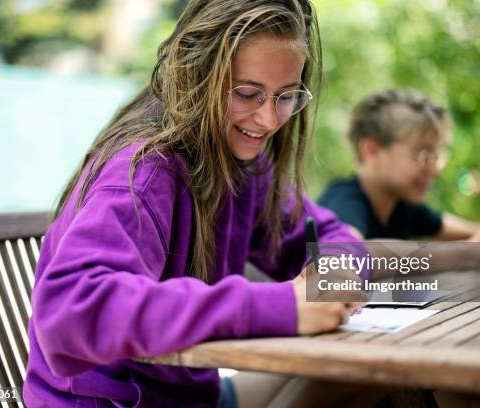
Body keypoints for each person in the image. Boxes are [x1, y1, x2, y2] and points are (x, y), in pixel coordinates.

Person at [23, 1, 368, 407]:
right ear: (196, 74)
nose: (269, 120)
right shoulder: (144, 173)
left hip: (190, 398)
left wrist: (334, 273)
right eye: (247, 93)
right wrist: (279, 306)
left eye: (286, 96)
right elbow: (72, 309)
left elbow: (329, 233)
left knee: (362, 380)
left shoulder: (242, 162)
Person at [318, 89, 480, 242]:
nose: (436, 169)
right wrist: (467, 254)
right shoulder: (344, 202)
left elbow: (470, 231)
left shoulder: (401, 206)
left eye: (437, 155)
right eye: (423, 155)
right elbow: (344, 259)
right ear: (372, 150)